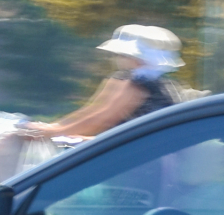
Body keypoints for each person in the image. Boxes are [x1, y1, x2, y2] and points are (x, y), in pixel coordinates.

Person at [23, 25, 192, 142]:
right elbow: (92, 111)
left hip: (142, 164)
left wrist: (52, 132)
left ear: (140, 59)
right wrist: (57, 127)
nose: (117, 58)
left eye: (123, 55)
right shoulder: (130, 79)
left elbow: (102, 119)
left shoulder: (141, 84)